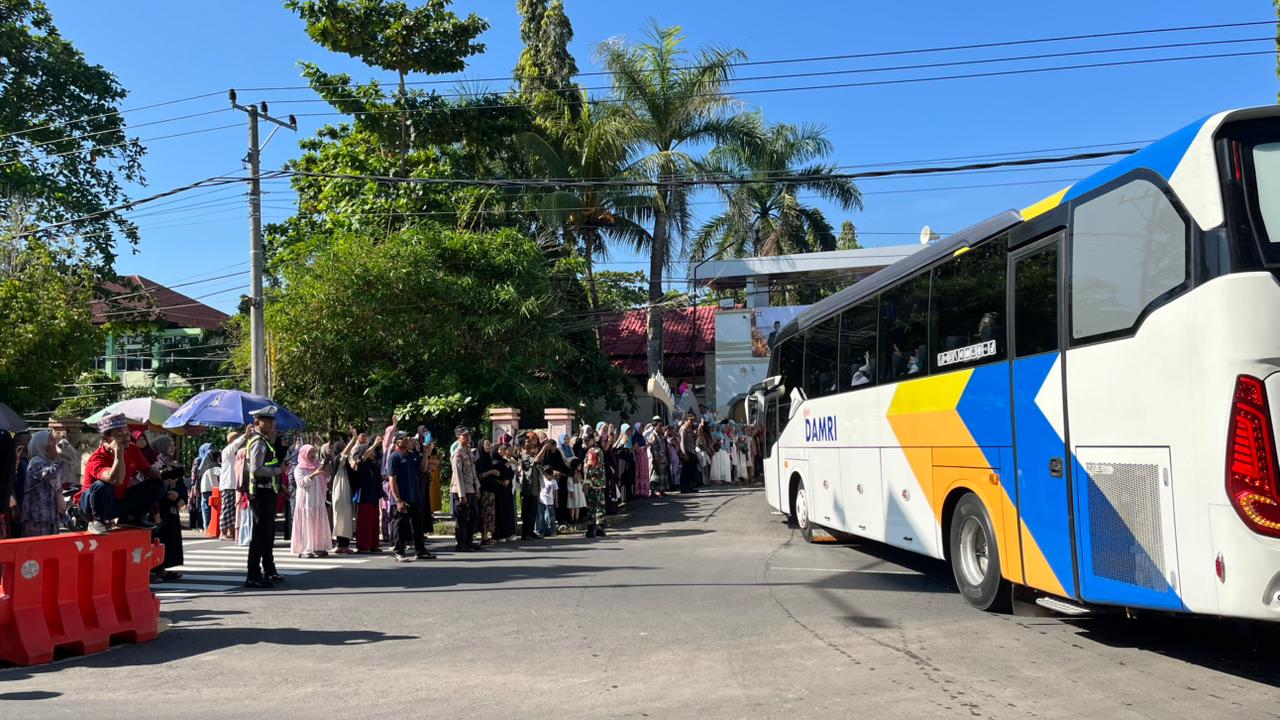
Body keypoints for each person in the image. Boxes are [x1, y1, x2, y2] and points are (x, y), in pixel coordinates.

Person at [80, 414, 163, 535]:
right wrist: (118, 452)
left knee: (157, 484)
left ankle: (132, 518)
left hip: (115, 502)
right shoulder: (97, 459)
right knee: (103, 485)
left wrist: (162, 474)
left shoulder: (132, 449)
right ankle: (96, 520)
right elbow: (116, 480)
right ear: (106, 438)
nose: (126, 438)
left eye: (127, 434)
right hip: (90, 506)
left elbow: (147, 470)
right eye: (120, 435)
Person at [243, 406, 284, 589]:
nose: (271, 424)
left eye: (272, 420)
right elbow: (256, 469)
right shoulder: (258, 442)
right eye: (266, 421)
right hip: (260, 492)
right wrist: (277, 471)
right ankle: (253, 575)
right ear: (257, 423)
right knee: (260, 535)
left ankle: (269, 570)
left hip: (268, 491)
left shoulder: (265, 441)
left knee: (267, 534)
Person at [388, 433, 433, 562]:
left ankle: (420, 551)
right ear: (398, 442)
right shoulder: (394, 457)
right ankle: (399, 552)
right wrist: (398, 500)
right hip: (402, 497)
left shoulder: (411, 454)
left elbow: (423, 469)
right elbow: (392, 480)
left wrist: (425, 453)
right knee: (401, 525)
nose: (408, 440)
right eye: (405, 438)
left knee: (418, 525)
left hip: (414, 496)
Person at [149, 434, 187, 581]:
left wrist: (179, 496)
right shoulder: (155, 464)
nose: (173, 447)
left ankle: (163, 567)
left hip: (172, 506)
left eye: (173, 445)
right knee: (159, 536)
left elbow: (181, 486)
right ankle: (154, 568)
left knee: (170, 537)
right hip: (158, 506)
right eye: (169, 445)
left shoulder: (175, 464)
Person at [290, 444, 333, 558]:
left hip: (318, 500)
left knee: (318, 523)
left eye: (314, 452)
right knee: (307, 523)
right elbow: (301, 483)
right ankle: (305, 549)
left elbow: (326, 479)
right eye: (309, 452)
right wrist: (314, 474)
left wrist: (326, 472)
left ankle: (318, 547)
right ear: (303, 454)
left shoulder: (317, 465)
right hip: (306, 501)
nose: (312, 454)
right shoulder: (299, 468)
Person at [20, 430, 64, 537]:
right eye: (51, 441)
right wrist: (59, 458)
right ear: (42, 445)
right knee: (36, 546)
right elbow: (51, 473)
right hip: (37, 518)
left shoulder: (48, 463)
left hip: (48, 517)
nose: (54, 445)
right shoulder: (35, 462)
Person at [350, 432, 384, 553]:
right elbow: (363, 457)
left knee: (374, 521)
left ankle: (373, 544)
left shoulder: (374, 465)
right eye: (372, 451)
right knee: (365, 522)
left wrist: (382, 492)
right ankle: (364, 546)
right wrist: (374, 444)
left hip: (374, 495)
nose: (373, 453)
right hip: (364, 495)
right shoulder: (363, 463)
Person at [450, 426, 480, 552]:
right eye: (465, 435)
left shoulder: (468, 451)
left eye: (469, 435)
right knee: (462, 519)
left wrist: (477, 486)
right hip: (461, 490)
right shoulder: (458, 454)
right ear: (458, 437)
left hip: (471, 488)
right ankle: (461, 544)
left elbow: (473, 471)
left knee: (473, 516)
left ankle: (469, 541)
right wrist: (461, 494)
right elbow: (458, 475)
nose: (468, 438)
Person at [329, 432, 358, 554]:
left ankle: (343, 544)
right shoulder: (337, 461)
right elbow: (343, 455)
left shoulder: (344, 465)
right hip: (340, 491)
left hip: (345, 490)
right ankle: (341, 544)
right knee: (341, 518)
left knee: (345, 518)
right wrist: (353, 440)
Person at [219, 430, 246, 540]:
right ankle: (223, 532)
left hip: (235, 485)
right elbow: (236, 444)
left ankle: (231, 532)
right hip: (228, 484)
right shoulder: (227, 450)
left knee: (233, 510)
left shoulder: (236, 453)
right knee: (227, 509)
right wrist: (245, 435)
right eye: (237, 438)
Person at [517, 433, 544, 540]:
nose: (531, 443)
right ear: (523, 445)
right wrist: (544, 448)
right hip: (527, 488)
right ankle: (525, 533)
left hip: (534, 487)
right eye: (527, 441)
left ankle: (531, 531)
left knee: (533, 511)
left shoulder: (531, 454)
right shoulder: (524, 456)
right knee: (527, 511)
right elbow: (536, 460)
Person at [475, 439, 501, 547]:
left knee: (490, 514)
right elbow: (480, 475)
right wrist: (492, 472)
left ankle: (487, 536)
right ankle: (484, 537)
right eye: (487, 444)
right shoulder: (479, 460)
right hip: (484, 490)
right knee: (484, 513)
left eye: (490, 444)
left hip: (491, 489)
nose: (489, 446)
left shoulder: (489, 458)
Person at [494, 442, 518, 542]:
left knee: (508, 511)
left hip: (507, 488)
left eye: (503, 449)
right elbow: (497, 474)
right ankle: (499, 535)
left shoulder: (505, 461)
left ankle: (509, 533)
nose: (502, 451)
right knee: (501, 512)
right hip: (499, 490)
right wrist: (501, 482)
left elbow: (511, 473)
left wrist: (508, 479)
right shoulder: (494, 461)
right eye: (500, 449)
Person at [582, 439, 606, 538]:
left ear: (592, 440)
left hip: (593, 483)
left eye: (587, 441)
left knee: (592, 506)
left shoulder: (592, 451)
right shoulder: (599, 450)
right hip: (600, 483)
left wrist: (585, 482)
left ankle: (591, 530)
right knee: (600, 506)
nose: (585, 443)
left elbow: (589, 468)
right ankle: (600, 529)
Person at [199, 446, 221, 538]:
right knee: (212, 511)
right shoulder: (215, 467)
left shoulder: (204, 466)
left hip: (204, 490)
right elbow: (219, 477)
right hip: (213, 490)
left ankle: (206, 528)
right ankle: (210, 528)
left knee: (205, 509)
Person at [678, 415, 699, 494]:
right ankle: (684, 487)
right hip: (687, 452)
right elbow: (682, 442)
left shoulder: (690, 429)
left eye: (693, 421)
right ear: (686, 421)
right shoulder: (683, 429)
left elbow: (693, 440)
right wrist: (684, 453)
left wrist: (695, 434)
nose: (692, 423)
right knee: (685, 471)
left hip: (691, 451)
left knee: (691, 470)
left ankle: (689, 486)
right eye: (690, 421)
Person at [536, 469, 559, 538]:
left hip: (550, 502)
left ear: (550, 474)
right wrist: (538, 498)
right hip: (542, 501)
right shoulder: (542, 480)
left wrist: (556, 502)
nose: (545, 476)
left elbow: (556, 492)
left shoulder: (554, 482)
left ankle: (552, 531)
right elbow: (539, 489)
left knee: (550, 517)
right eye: (544, 474)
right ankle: (541, 531)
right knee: (541, 517)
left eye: (546, 474)